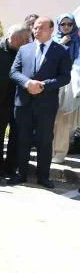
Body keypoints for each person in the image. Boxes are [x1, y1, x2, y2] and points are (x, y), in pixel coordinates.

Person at [9, 16, 71, 188]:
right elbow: (14, 72)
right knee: (23, 139)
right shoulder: (24, 49)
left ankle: (43, 176)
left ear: (51, 30)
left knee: (45, 141)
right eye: (35, 28)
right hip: (24, 102)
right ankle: (21, 173)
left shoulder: (61, 51)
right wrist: (27, 83)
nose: (37, 31)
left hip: (46, 104)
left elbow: (65, 77)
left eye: (41, 27)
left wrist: (43, 85)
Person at [0, 24, 32, 177]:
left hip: (18, 100)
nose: (28, 41)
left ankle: (10, 167)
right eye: (25, 39)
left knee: (16, 135)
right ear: (16, 38)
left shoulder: (23, 52)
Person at [51, 13, 80, 163]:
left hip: (70, 85)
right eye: (63, 24)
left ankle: (59, 153)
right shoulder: (53, 41)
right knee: (50, 119)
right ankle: (48, 151)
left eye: (70, 24)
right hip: (53, 83)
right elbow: (48, 59)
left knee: (63, 119)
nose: (67, 27)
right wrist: (61, 44)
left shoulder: (78, 42)